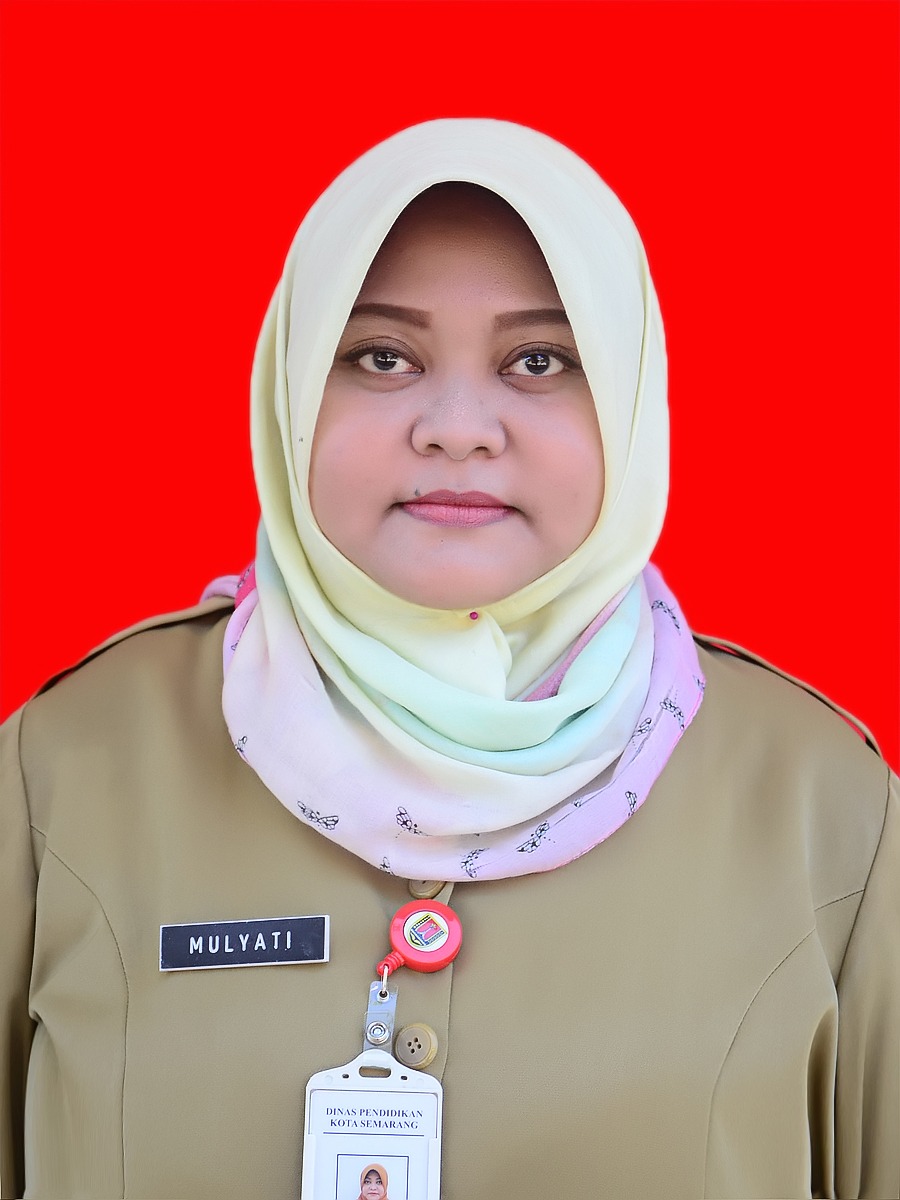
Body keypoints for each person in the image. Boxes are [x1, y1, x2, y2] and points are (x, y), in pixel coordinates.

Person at [1, 119, 896, 1200]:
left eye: (539, 360)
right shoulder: (64, 766)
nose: (459, 428)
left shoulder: (823, 804)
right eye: (383, 356)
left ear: (629, 396)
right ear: (291, 387)